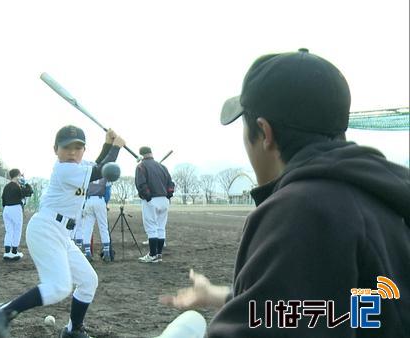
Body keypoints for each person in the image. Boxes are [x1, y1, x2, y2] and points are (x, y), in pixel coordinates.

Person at [160, 48, 410, 337]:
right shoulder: (376, 190)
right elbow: (336, 309)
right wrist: (219, 295)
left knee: (187, 327)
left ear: (264, 133)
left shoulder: (305, 209)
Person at [0, 125, 126, 338]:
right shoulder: (63, 169)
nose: (72, 152)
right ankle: (4, 312)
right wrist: (116, 149)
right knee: (59, 287)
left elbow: (96, 166)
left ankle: (73, 330)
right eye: (66, 147)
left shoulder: (79, 167)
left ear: (83, 150)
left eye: (78, 148)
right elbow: (99, 172)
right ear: (56, 150)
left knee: (88, 281)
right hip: (46, 229)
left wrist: (108, 143)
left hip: (61, 233)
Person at [135, 146, 175, 263]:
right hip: (164, 200)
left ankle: (152, 254)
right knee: (161, 228)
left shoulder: (141, 166)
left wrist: (147, 197)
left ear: (141, 155)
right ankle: (158, 254)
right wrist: (168, 196)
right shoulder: (162, 166)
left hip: (151, 199)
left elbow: (141, 184)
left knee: (151, 228)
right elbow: (171, 184)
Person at [0, 168, 33, 260]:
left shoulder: (6, 187)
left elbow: (3, 199)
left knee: (9, 230)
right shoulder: (17, 186)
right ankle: (14, 251)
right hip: (15, 208)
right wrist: (25, 183)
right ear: (18, 176)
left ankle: (7, 252)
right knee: (17, 230)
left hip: (6, 209)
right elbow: (29, 192)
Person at [81, 177, 112, 262]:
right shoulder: (106, 177)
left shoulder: (89, 176)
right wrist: (104, 203)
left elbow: (84, 191)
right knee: (103, 227)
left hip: (89, 201)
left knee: (87, 228)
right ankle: (106, 253)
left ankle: (88, 253)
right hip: (100, 200)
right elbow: (108, 193)